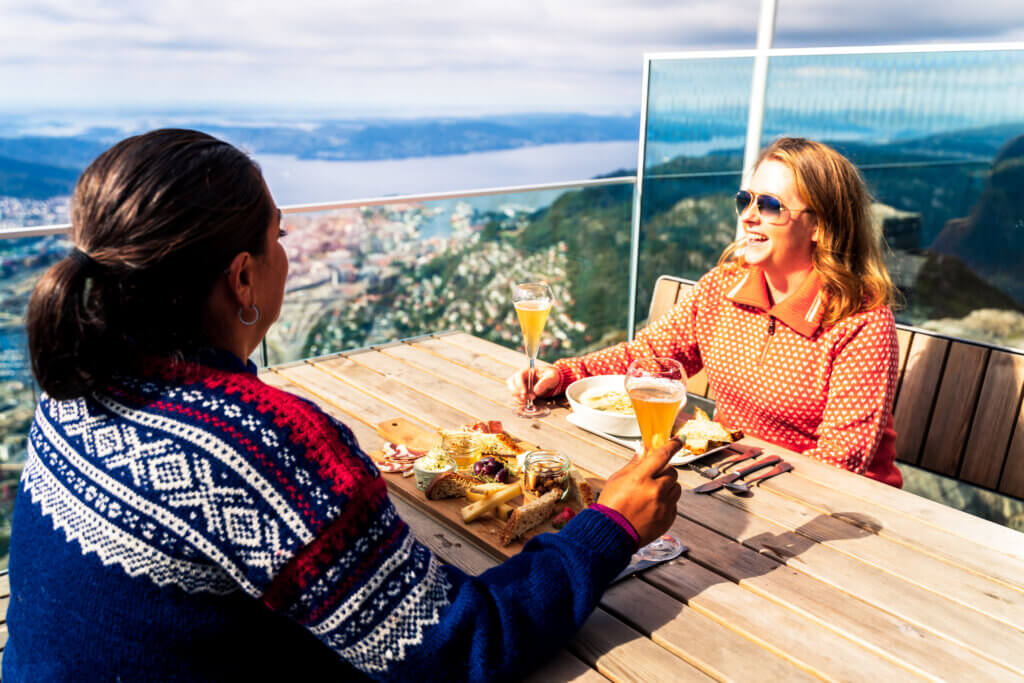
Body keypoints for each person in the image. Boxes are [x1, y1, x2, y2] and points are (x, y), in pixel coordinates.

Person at [5, 129, 683, 682]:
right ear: (243, 276)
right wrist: (610, 527)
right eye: (280, 236)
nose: (287, 253)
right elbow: (460, 649)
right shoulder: (263, 440)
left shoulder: (77, 382)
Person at [511, 137, 902, 488]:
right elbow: (647, 356)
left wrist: (742, 490)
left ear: (820, 225)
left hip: (835, 510)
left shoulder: (860, 320)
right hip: (728, 480)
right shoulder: (724, 287)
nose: (748, 215)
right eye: (745, 200)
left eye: (768, 206)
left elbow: (840, 462)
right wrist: (563, 374)